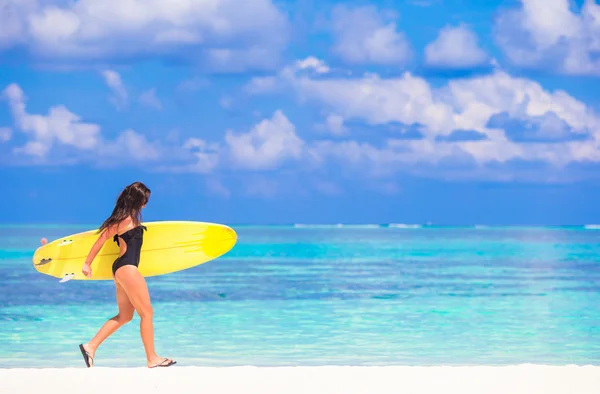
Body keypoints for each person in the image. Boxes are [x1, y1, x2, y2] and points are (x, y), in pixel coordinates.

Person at [78, 181, 176, 368]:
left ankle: (90, 346)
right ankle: (152, 358)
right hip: (128, 268)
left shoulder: (130, 218)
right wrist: (87, 263)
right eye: (145, 200)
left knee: (125, 316)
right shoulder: (125, 220)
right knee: (147, 313)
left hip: (121, 269)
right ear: (138, 200)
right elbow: (102, 239)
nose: (146, 204)